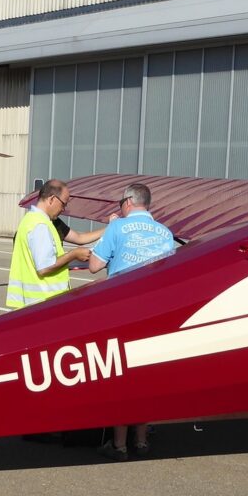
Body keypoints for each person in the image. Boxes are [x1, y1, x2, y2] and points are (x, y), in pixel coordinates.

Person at [89, 183, 174, 460]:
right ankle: (141, 440)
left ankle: (119, 444)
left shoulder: (117, 228)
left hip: (123, 312)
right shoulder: (165, 233)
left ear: (127, 202)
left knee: (122, 378)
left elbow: (94, 265)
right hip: (155, 313)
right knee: (146, 377)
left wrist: (110, 234)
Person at [6, 179, 93, 309]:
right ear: (52, 199)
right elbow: (44, 267)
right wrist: (73, 254)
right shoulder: (40, 225)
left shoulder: (31, 220)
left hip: (34, 302)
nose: (63, 209)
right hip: (43, 302)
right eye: (63, 204)